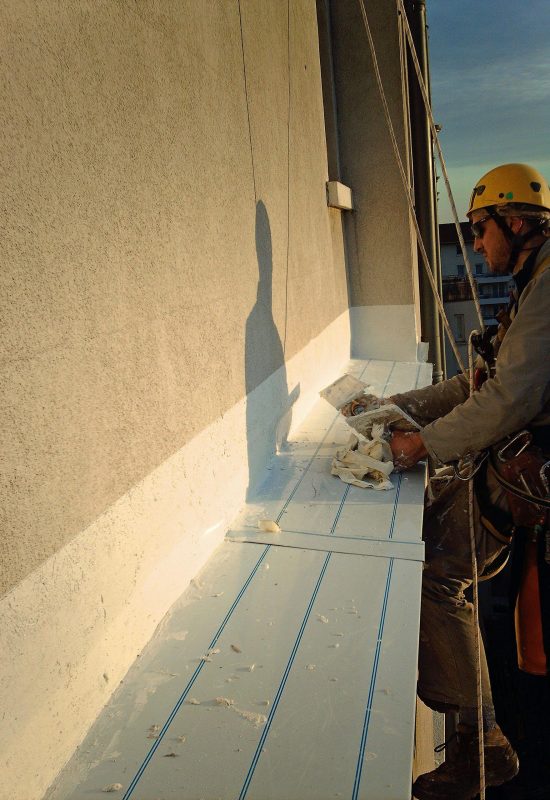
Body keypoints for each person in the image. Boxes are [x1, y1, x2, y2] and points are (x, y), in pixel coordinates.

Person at [347, 164, 550, 800]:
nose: (477, 242)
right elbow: (477, 382)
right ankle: (480, 740)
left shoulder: (547, 287)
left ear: (515, 224)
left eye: (480, 229)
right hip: (519, 463)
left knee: (441, 570)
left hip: (529, 470)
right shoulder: (531, 281)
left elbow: (509, 399)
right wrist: (395, 409)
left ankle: (479, 750)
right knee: (443, 562)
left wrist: (421, 445)